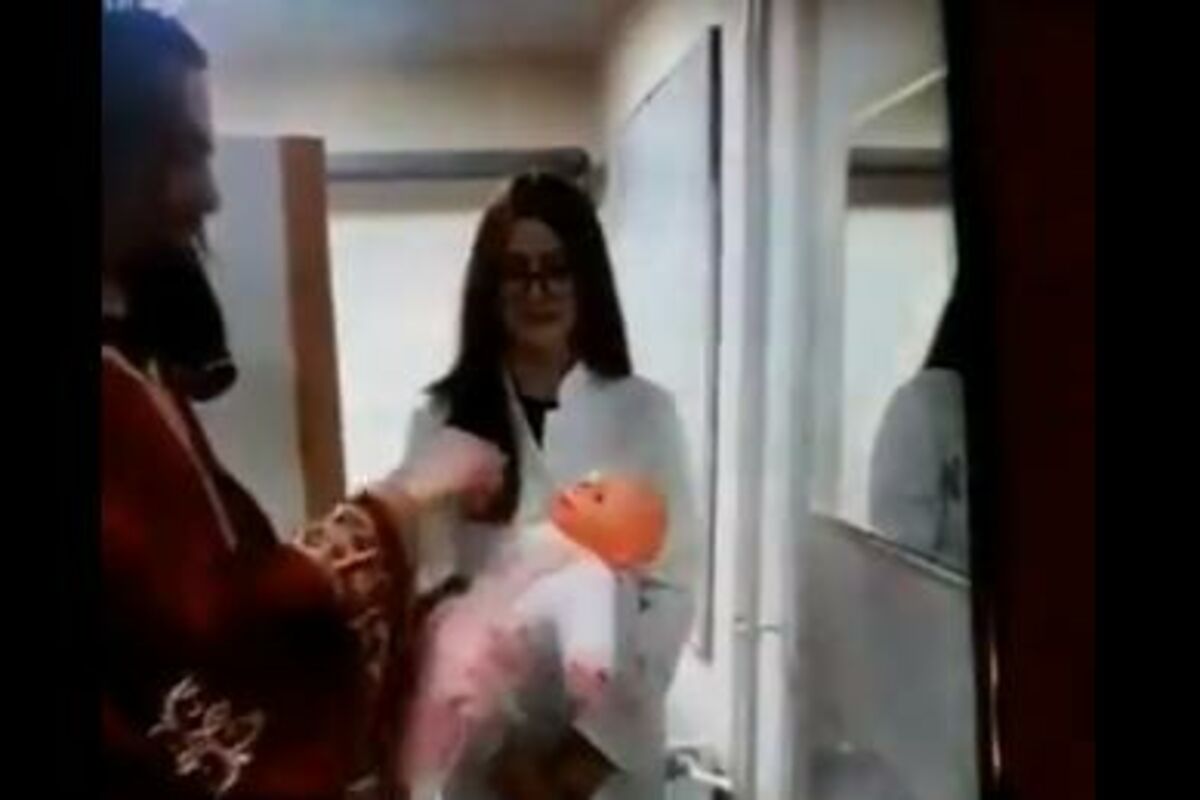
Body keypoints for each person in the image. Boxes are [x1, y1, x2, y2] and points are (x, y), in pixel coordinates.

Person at [101, 9, 504, 799]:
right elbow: (218, 636)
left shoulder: (138, 368)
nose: (209, 194)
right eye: (181, 152)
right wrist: (399, 508)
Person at [402, 172, 700, 800]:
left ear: (586, 278)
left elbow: (670, 592)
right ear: (491, 288)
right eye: (517, 272)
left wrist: (583, 760)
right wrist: (503, 758)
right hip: (486, 765)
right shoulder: (440, 423)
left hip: (607, 768)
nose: (538, 291)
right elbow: (433, 601)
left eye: (557, 269)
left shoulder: (645, 414)